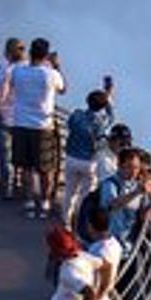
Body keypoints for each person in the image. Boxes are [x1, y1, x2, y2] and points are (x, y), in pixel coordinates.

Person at [8, 38, 67, 219]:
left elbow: (12, 87)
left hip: (20, 123)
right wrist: (56, 66)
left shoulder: (18, 71)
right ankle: (45, 202)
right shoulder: (51, 74)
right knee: (45, 168)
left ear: (30, 52)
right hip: (43, 126)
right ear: (46, 55)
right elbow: (63, 89)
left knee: (26, 167)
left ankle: (28, 202)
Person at [63, 83, 117, 224]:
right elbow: (112, 116)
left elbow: (69, 126)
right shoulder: (101, 122)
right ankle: (79, 220)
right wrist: (109, 98)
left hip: (72, 158)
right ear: (103, 106)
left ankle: (65, 220)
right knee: (85, 195)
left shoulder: (76, 115)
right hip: (90, 162)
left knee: (69, 191)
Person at [97, 148, 151, 246]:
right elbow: (112, 205)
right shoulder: (110, 184)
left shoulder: (137, 186)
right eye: (129, 167)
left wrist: (147, 211)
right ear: (119, 166)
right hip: (110, 244)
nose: (133, 172)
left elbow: (144, 215)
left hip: (131, 243)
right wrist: (136, 193)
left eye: (136, 168)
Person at [0, 37, 26, 200]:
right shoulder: (29, 70)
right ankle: (21, 185)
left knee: (5, 154)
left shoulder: (5, 70)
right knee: (20, 153)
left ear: (7, 53)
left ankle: (8, 188)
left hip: (3, 116)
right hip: (22, 119)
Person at [46, 225, 104, 300]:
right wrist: (103, 289)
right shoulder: (83, 256)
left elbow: (89, 294)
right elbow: (105, 265)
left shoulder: (69, 272)